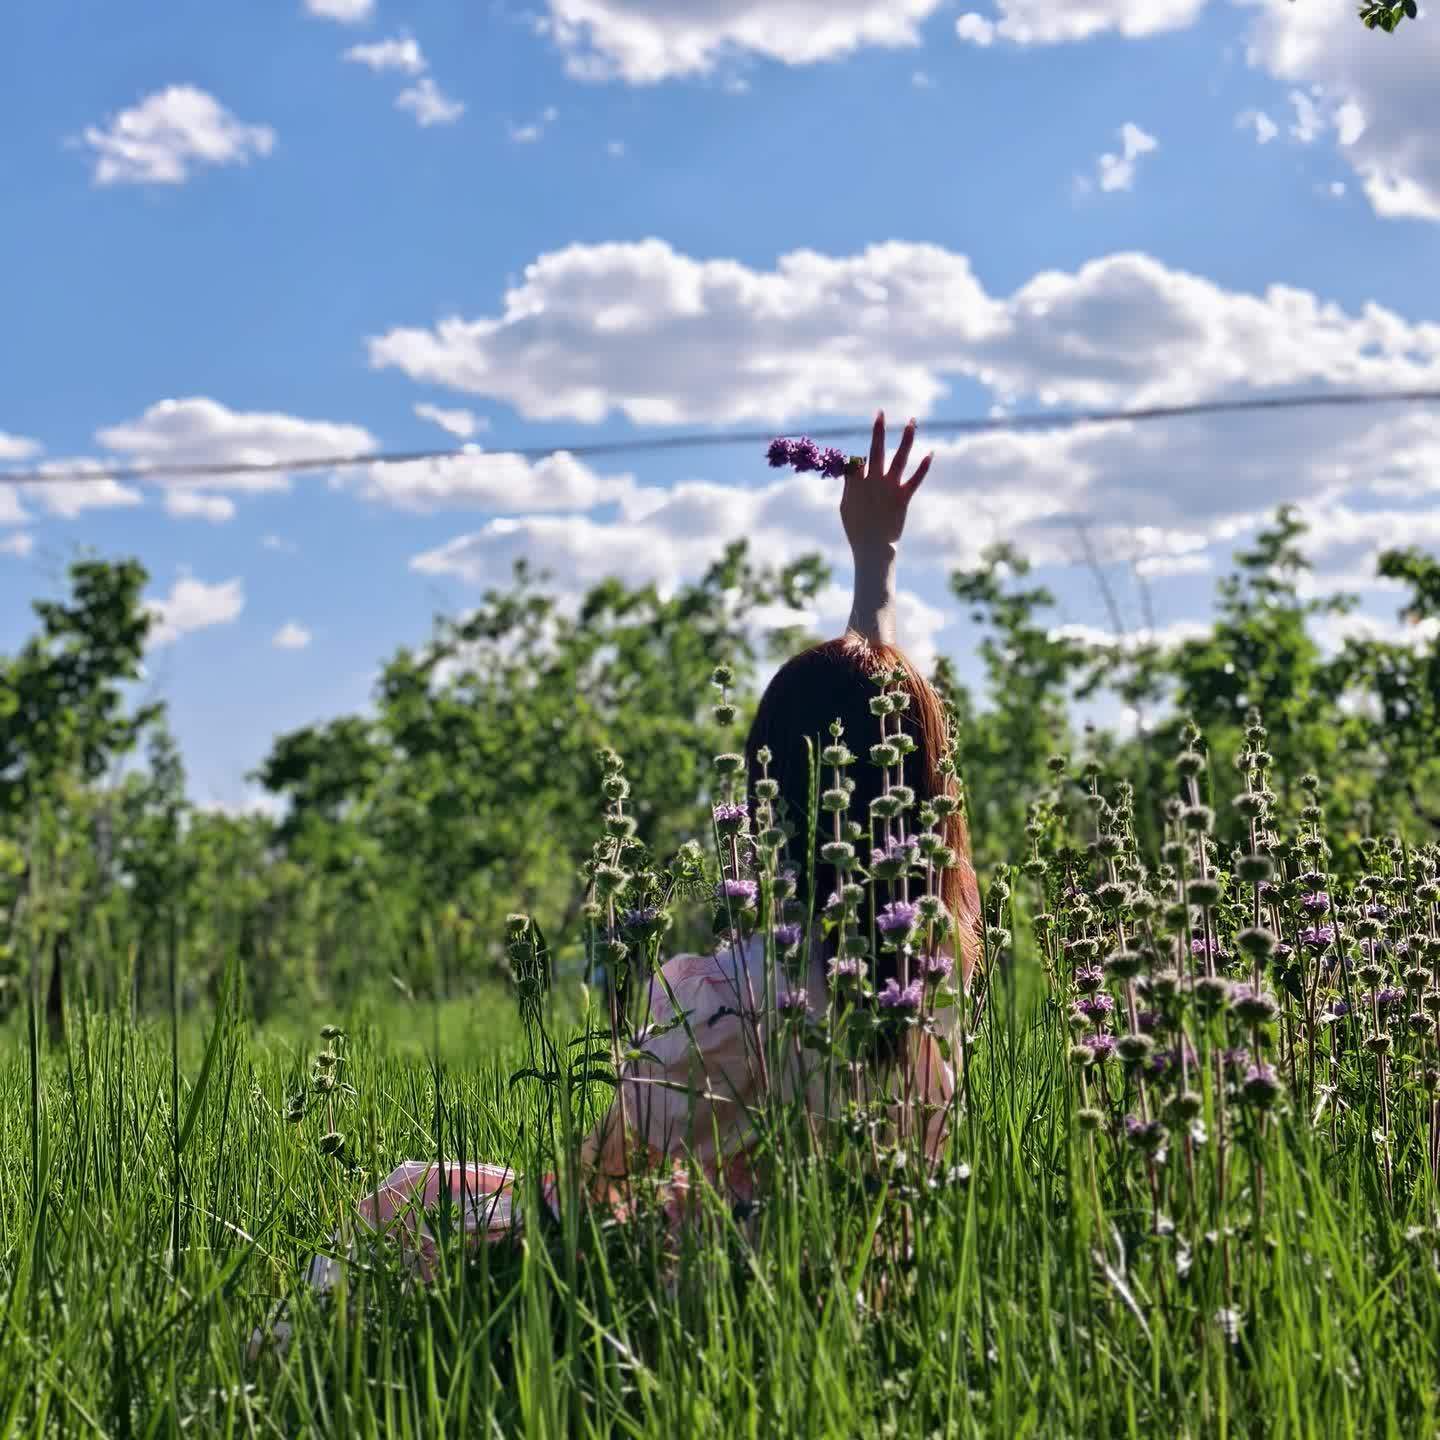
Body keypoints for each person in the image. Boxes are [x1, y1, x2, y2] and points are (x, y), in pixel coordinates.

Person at [290, 413, 981, 1306]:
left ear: (779, 802)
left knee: (418, 1197)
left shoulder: (753, 994)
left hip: (723, 1295)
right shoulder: (926, 978)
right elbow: (883, 732)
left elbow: (603, 1174)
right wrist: (874, 565)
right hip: (863, 1286)